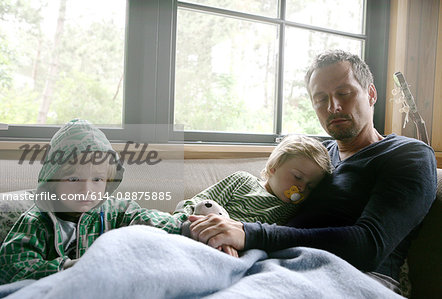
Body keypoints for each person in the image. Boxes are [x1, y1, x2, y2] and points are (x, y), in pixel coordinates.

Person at [186, 50, 437, 292]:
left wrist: (250, 234)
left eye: (344, 93)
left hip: (355, 276)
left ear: (371, 94)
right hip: (273, 262)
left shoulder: (407, 155)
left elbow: (369, 246)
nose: (333, 106)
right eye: (320, 99)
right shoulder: (316, 156)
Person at [0, 119, 184, 284]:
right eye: (74, 179)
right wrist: (72, 268)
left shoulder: (117, 210)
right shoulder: (36, 221)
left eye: (97, 180)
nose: (86, 190)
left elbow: (149, 221)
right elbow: (10, 269)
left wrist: (189, 227)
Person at [176, 134, 332, 226]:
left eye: (310, 186)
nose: (302, 188)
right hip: (201, 224)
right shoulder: (242, 180)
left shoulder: (291, 210)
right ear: (274, 167)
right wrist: (182, 219)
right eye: (297, 177)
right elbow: (199, 201)